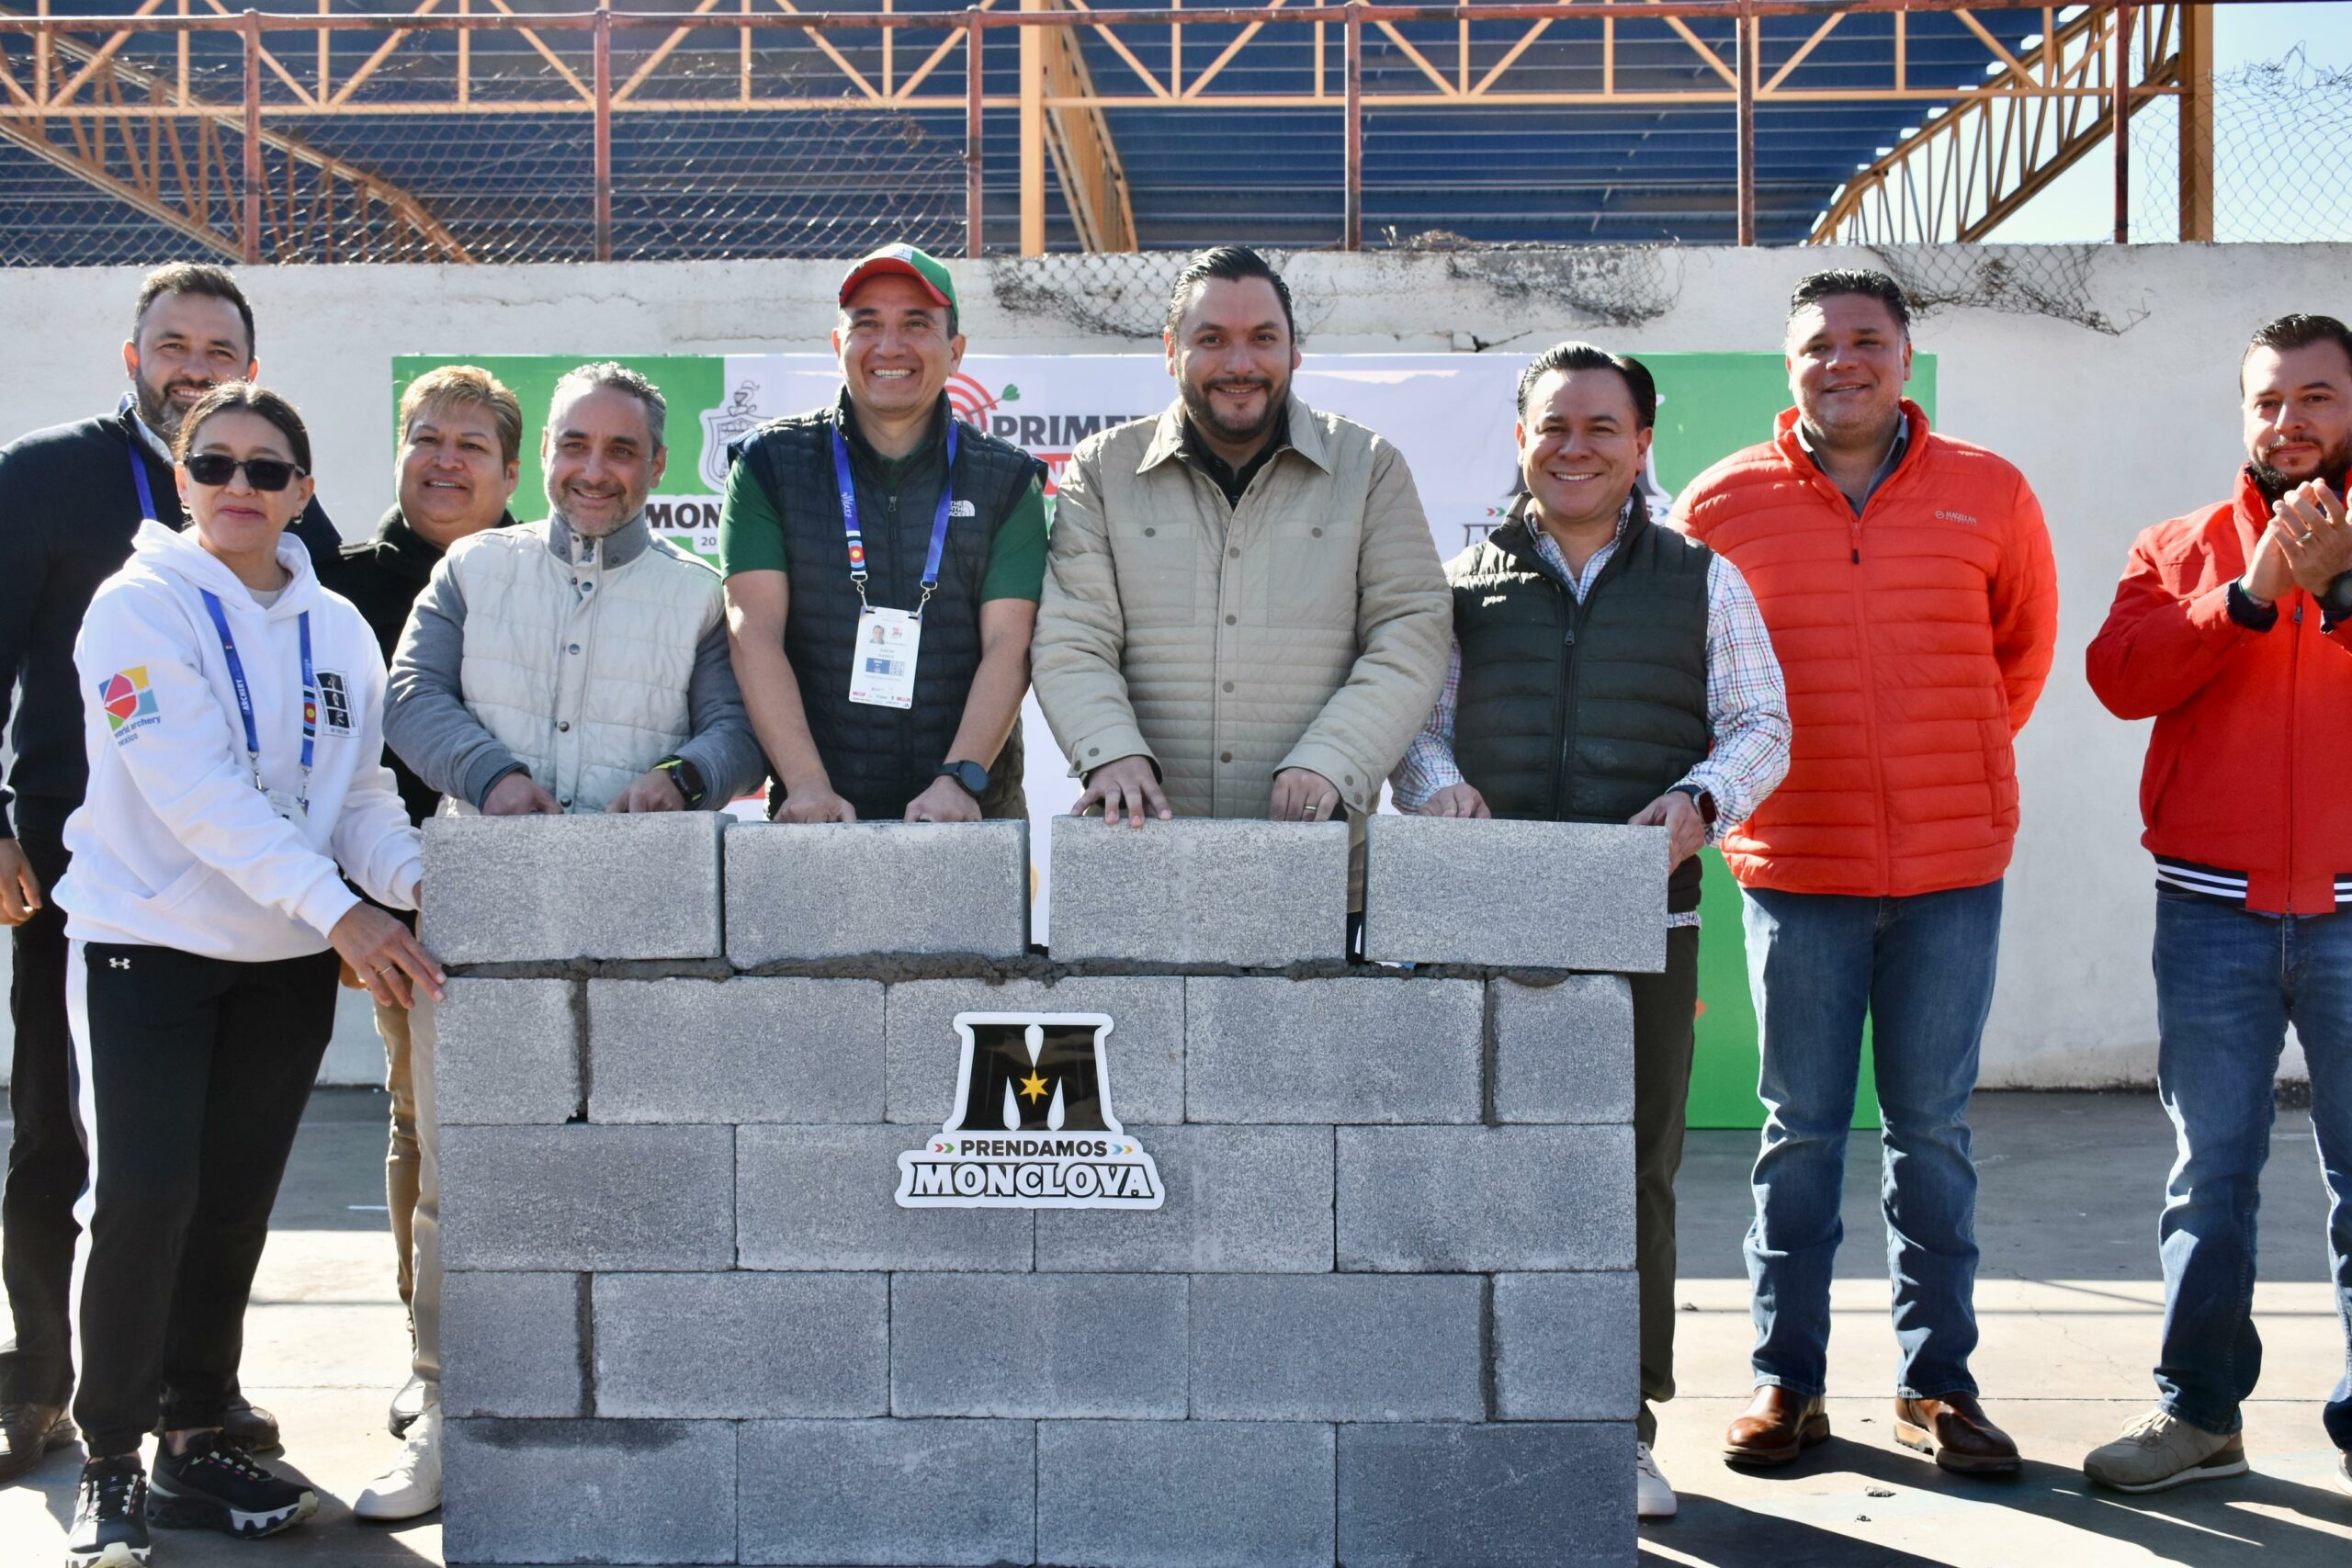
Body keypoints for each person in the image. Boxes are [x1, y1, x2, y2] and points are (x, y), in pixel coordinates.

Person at [1394, 342, 1790, 1519]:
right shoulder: (1460, 582)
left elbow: (1760, 723)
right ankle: (1484, 1410)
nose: (1574, 447)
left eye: (1600, 427)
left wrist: (1700, 804)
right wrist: (1435, 788)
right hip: (1490, 919)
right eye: (1551, 426)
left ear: (1641, 444)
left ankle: (1620, 1424)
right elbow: (1416, 727)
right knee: (1488, 1168)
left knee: (1630, 1178)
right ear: (1520, 440)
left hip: (1643, 915)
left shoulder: (1704, 578)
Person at [1672, 269, 2058, 1476]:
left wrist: (1959, 765)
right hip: (1799, 868)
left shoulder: (1989, 491)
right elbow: (1701, 682)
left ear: (1904, 353)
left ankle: (1938, 1383)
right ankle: (1787, 1381)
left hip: (1951, 870)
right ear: (1788, 367)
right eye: (1817, 345)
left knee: (1933, 1133)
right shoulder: (1722, 503)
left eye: (1866, 340)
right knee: (1799, 1133)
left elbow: (2021, 653)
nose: (1842, 361)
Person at [56, 383, 439, 1567]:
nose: (239, 486)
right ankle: (109, 1458)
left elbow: (359, 793)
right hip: (147, 948)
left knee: (229, 1212)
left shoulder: (335, 627)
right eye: (214, 464)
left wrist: (426, 886)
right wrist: (344, 916)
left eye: (268, 471)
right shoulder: (136, 609)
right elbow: (194, 790)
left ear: (303, 493)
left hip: (278, 962)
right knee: (142, 1202)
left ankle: (195, 1430)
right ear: (182, 480)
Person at [375, 363, 764, 1521]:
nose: (596, 471)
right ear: (544, 453)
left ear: (655, 465)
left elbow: (735, 729)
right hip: (481, 920)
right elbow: (409, 695)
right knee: (461, 1177)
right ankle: (451, 1415)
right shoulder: (471, 567)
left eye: (623, 452)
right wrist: (490, 778)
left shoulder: (697, 595)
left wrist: (684, 776)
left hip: (633, 923)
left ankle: (639, 1413)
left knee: (635, 1167)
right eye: (576, 447)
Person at [0, 264, 336, 1483]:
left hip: (247, 895)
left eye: (218, 343)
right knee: (61, 1134)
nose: (193, 360)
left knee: (210, 1163)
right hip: (75, 858)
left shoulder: (290, 517)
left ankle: (198, 1393)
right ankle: (36, 1381)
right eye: (173, 340)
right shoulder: (46, 473)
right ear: (130, 356)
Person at [2083, 312, 2352, 1497]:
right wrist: (2246, 596)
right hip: (2210, 916)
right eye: (2266, 402)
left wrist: (2337, 591)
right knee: (2210, 1176)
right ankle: (2198, 1415)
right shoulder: (2177, 545)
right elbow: (2118, 679)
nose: (2287, 423)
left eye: (2316, 399)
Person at [1032, 245, 1450, 860]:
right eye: (1212, 339)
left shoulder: (1369, 469)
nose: (1240, 363)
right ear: (1171, 350)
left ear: (1294, 352)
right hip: (1144, 852)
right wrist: (1109, 749)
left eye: (1262, 338)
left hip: (1318, 857)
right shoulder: (1101, 471)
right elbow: (1073, 634)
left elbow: (1411, 629)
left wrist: (1334, 759)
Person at [317, 366, 521, 1453]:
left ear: (508, 471)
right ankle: (424, 1351)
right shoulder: (337, 583)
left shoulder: (536, 573)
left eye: (470, 445)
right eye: (427, 438)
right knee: (417, 1128)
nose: (445, 460)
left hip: (530, 896)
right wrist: (354, 911)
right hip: (398, 909)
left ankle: (520, 1338)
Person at [721, 243, 1047, 823]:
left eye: (916, 324)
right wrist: (807, 786)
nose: (889, 346)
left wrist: (959, 781)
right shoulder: (769, 464)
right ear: (837, 345)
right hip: (817, 816)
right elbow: (754, 630)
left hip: (970, 815)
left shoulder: (1009, 479)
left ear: (955, 352)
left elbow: (1009, 643)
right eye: (866, 324)